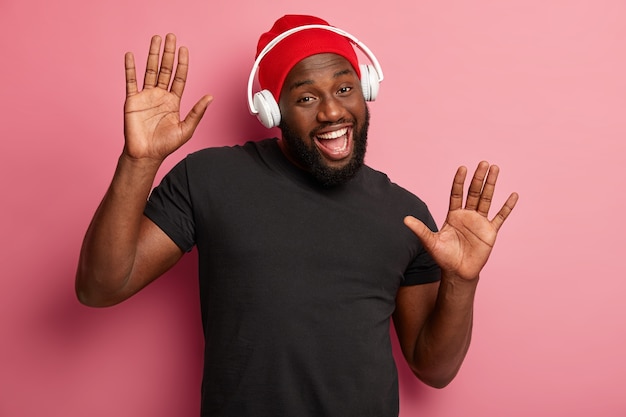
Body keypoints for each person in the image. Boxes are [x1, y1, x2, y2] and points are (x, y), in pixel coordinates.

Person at [76, 14, 518, 417]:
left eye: (344, 88)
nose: (331, 111)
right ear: (272, 109)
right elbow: (100, 287)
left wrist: (462, 281)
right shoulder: (209, 179)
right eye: (306, 96)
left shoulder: (406, 215)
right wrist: (139, 161)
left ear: (366, 91)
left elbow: (433, 369)